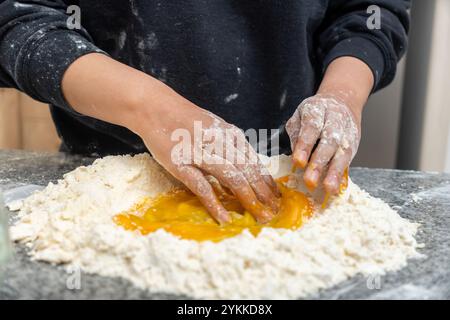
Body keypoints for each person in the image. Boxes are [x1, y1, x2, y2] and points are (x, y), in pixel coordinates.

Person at [0, 0, 410, 223]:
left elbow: (369, 11)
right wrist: (151, 108)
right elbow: (18, 19)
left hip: (289, 173)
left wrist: (341, 94)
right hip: (105, 186)